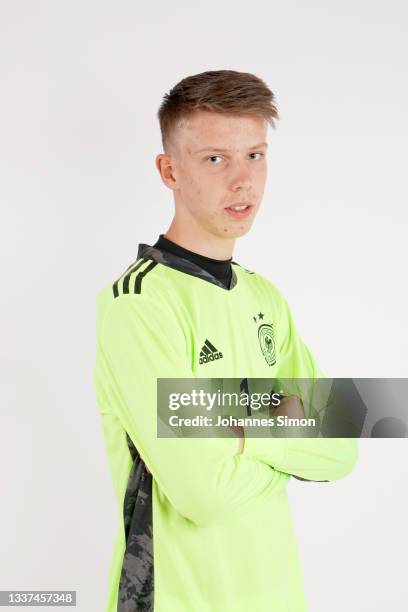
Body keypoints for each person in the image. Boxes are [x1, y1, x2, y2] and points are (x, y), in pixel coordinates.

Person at [92, 69, 358, 612]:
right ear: (169, 169)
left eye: (255, 156)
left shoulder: (266, 298)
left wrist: (232, 427)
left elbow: (341, 447)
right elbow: (204, 494)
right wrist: (280, 425)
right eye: (216, 158)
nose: (243, 181)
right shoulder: (138, 303)